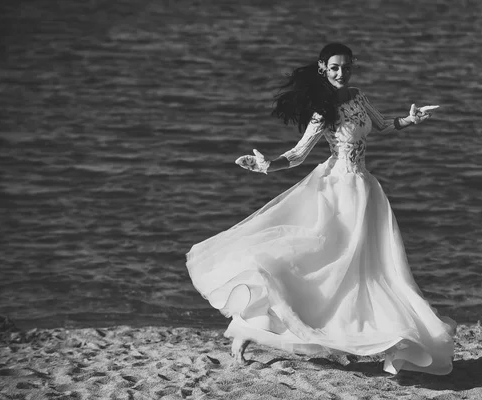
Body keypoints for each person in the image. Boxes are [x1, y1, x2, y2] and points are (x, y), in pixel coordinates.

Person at [186, 43, 456, 375]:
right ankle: (248, 327)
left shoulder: (358, 96)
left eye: (346, 67)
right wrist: (267, 165)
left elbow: (384, 126)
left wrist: (411, 119)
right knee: (319, 264)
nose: (342, 73)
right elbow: (298, 155)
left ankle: (369, 335)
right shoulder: (322, 111)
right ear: (323, 69)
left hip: (365, 191)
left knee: (372, 270)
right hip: (336, 191)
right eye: (335, 68)